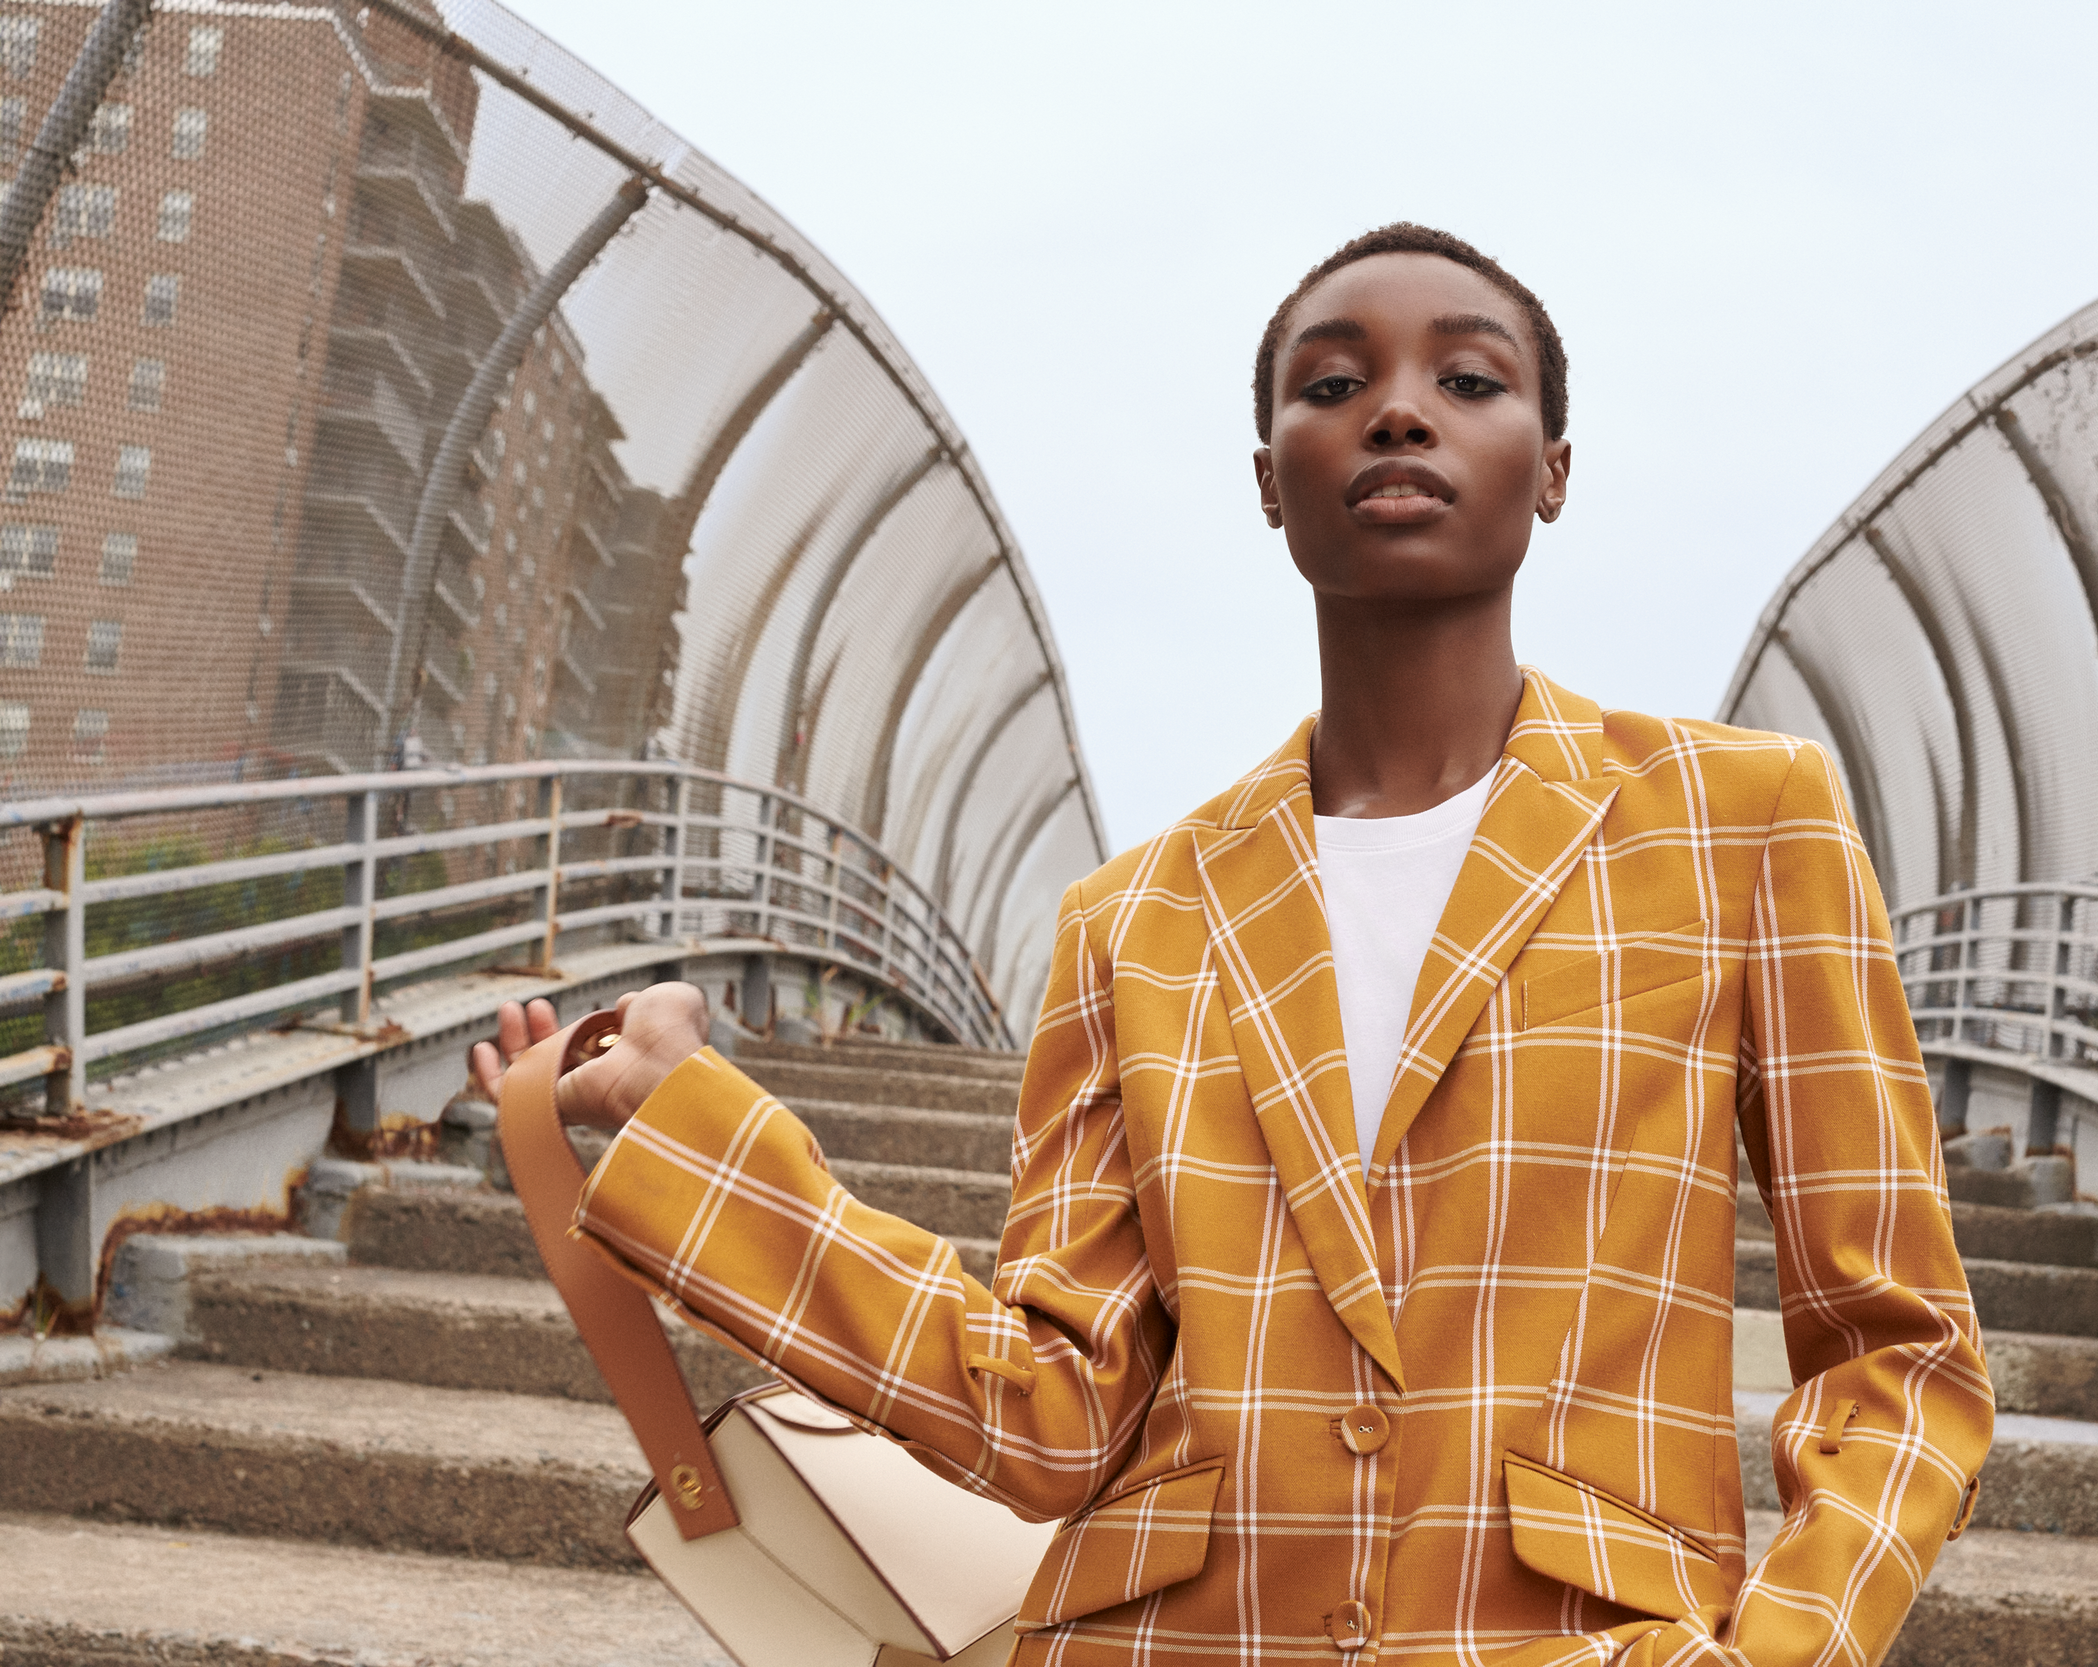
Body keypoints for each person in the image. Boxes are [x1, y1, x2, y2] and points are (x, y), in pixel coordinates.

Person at [475, 223, 1991, 1666]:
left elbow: (1900, 1355)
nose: (1399, 411)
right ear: (1273, 479)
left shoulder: (1740, 822)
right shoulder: (1133, 917)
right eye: (1334, 384)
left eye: (1468, 380)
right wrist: (690, 1123)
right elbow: (1047, 1411)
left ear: (1555, 472)